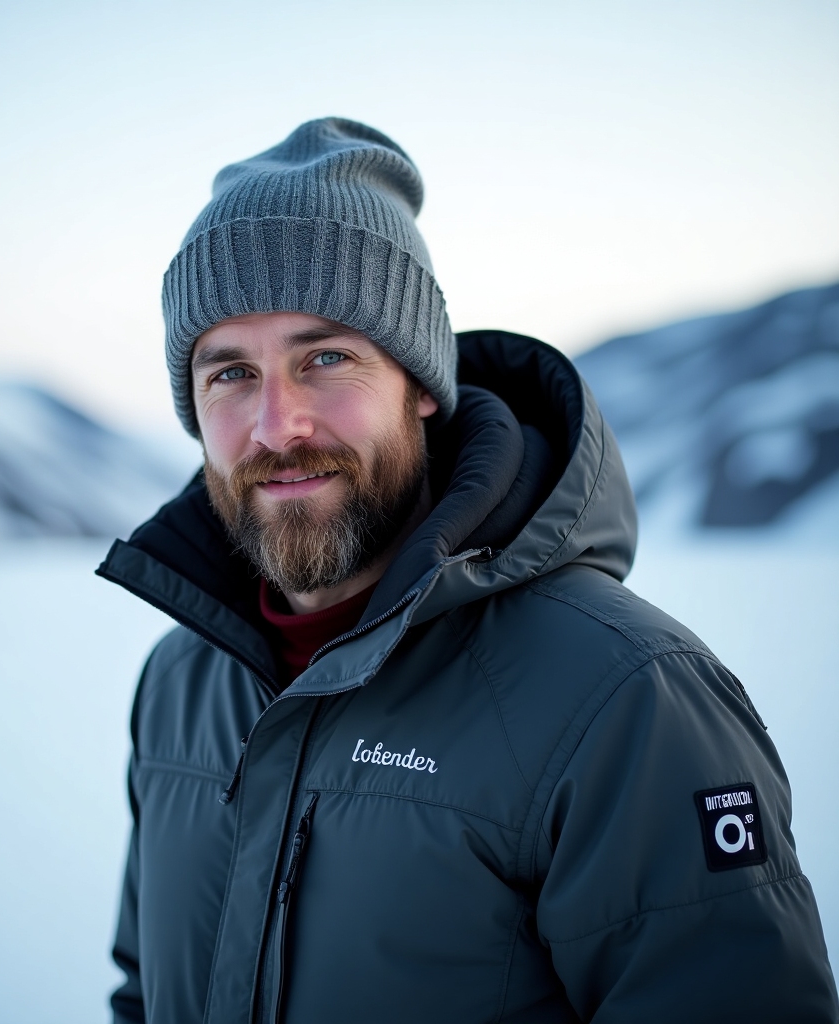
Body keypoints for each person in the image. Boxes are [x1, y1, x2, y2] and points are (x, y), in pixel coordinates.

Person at [97, 117, 837, 1023]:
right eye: (230, 374)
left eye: (326, 358)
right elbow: (145, 994)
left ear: (419, 383)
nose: (276, 425)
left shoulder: (625, 700)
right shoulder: (180, 682)